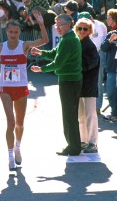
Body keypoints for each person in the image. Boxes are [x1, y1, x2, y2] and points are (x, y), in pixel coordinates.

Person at [0, 10, 49, 171]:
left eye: (16, 32)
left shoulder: (24, 46)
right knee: (11, 122)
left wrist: (41, 23)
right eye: (10, 32)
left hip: (21, 88)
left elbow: (45, 40)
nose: (13, 34)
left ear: (19, 32)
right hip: (6, 88)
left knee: (20, 124)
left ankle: (17, 147)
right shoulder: (0, 47)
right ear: (6, 32)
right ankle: (9, 158)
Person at [30, 14, 82, 156]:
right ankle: (74, 145)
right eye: (56, 25)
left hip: (69, 80)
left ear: (69, 25)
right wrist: (41, 52)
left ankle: (74, 147)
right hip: (70, 79)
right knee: (70, 115)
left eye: (60, 25)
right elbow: (55, 54)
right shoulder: (68, 38)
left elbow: (58, 62)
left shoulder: (69, 39)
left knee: (69, 115)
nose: (57, 27)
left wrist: (41, 69)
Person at [74, 18, 100, 153]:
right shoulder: (77, 43)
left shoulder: (90, 45)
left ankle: (92, 142)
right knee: (81, 116)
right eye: (80, 28)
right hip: (79, 85)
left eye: (85, 29)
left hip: (88, 85)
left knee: (90, 115)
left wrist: (75, 68)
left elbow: (91, 63)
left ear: (90, 30)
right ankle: (84, 141)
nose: (82, 31)